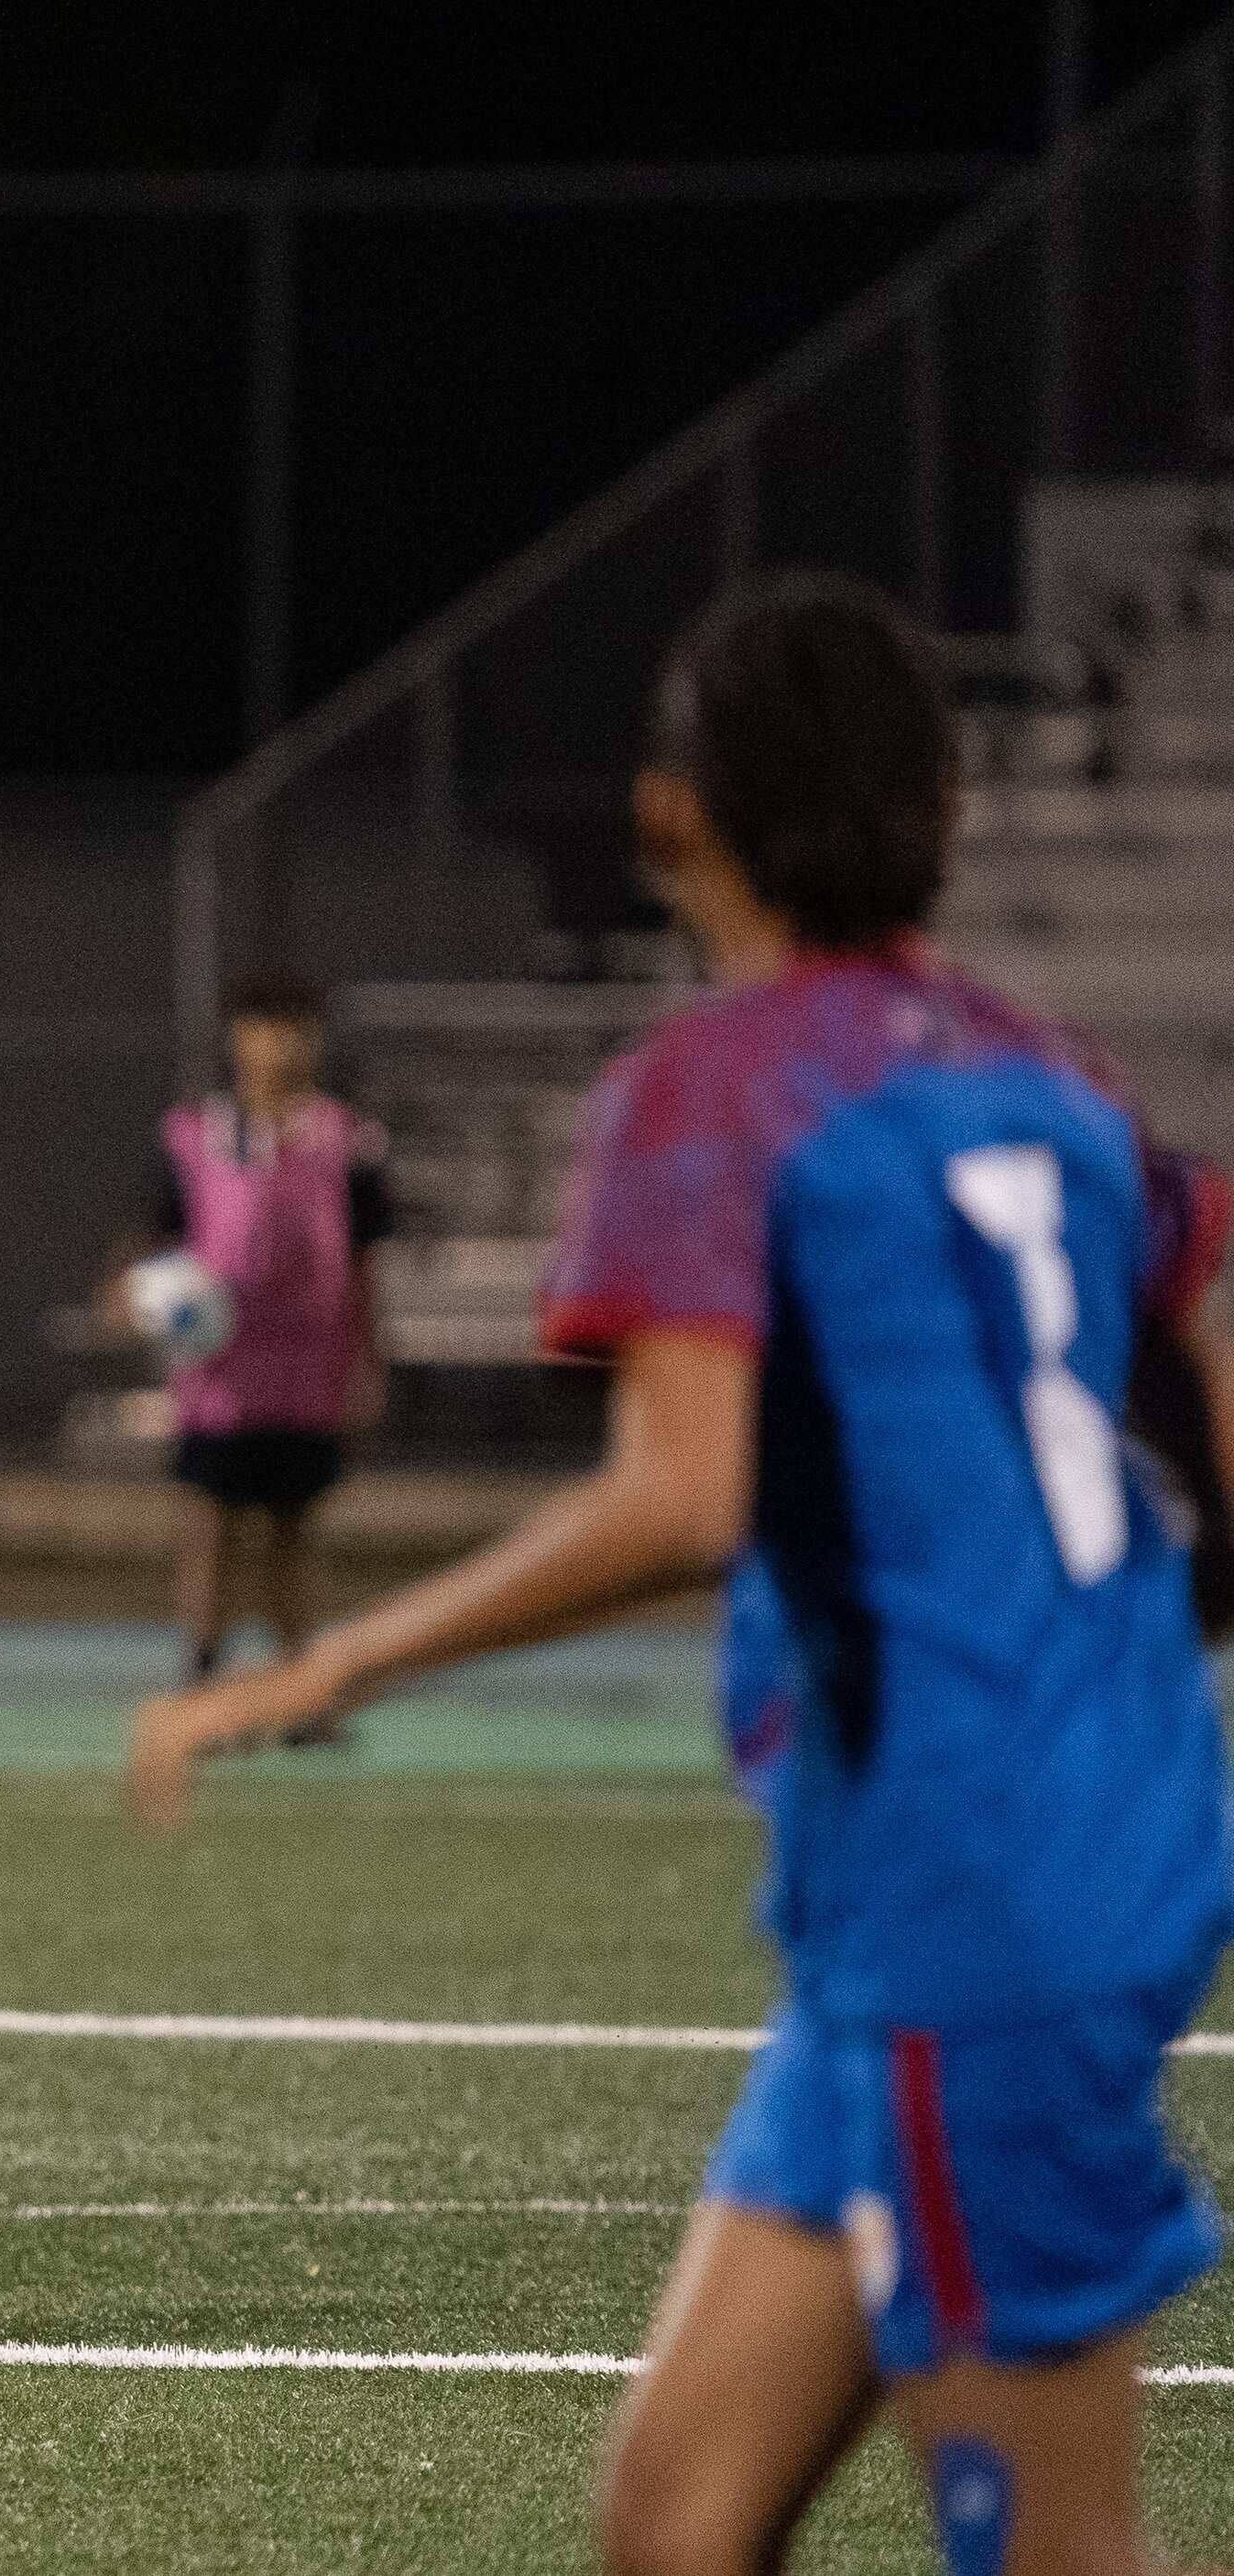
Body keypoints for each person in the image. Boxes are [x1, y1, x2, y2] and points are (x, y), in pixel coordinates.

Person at [133, 573, 1234, 2576]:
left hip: (973, 1886)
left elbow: (678, 1495)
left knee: (1057, 2552)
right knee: (675, 2516)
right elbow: (1198, 1346)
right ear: (950, 810)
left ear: (668, 814)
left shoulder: (715, 1089)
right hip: (988, 1870)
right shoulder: (1045, 1067)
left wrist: (317, 1667)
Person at [133, 972, 392, 1710]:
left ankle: (300, 1687)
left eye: (294, 1027)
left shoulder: (348, 1141)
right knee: (211, 1524)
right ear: (236, 1038)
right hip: (221, 1370)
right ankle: (202, 1671)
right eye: (263, 1026)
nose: (279, 1045)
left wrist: (370, 1359)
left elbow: (367, 1261)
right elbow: (156, 1242)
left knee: (293, 1531)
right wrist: (144, 1299)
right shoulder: (195, 1135)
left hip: (309, 1367)